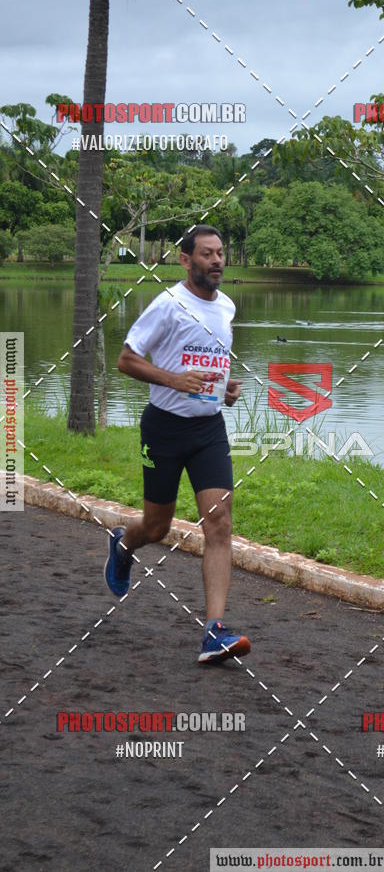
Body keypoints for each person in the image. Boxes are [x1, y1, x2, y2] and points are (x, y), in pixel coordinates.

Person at [103, 224, 250, 664]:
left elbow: (207, 362)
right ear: (186, 260)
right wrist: (174, 380)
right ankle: (123, 545)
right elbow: (126, 359)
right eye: (207, 254)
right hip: (164, 429)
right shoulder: (168, 305)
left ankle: (214, 631)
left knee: (219, 522)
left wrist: (223, 389)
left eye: (221, 252)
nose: (217, 260)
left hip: (208, 429)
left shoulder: (226, 307)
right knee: (157, 527)